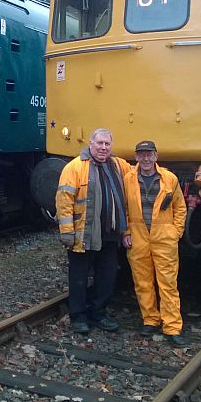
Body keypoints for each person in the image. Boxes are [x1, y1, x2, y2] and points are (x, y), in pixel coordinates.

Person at [55, 128, 132, 334]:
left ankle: (98, 313)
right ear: (91, 144)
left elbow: (137, 174)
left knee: (106, 276)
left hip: (109, 234)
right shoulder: (75, 167)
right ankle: (78, 316)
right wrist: (67, 232)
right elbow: (64, 201)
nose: (103, 148)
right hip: (83, 233)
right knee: (79, 276)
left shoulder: (117, 165)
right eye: (100, 143)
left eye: (107, 144)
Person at [122, 140, 187, 345]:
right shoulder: (128, 179)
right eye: (142, 155)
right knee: (142, 281)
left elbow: (180, 207)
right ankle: (150, 319)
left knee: (167, 282)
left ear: (156, 156)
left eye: (149, 154)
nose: (146, 158)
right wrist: (125, 232)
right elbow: (123, 208)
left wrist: (175, 232)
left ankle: (172, 326)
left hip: (164, 236)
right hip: (138, 235)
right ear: (136, 157)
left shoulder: (170, 178)